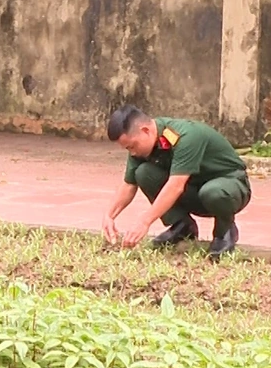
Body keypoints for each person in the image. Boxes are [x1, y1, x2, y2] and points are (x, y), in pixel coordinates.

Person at [103, 105, 250, 260]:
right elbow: (129, 184)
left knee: (213, 192)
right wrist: (109, 216)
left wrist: (144, 221)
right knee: (144, 173)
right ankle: (183, 227)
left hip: (229, 187)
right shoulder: (141, 147)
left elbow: (176, 186)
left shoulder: (185, 136)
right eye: (127, 148)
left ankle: (224, 232)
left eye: (132, 146)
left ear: (145, 130)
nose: (131, 152)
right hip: (194, 190)